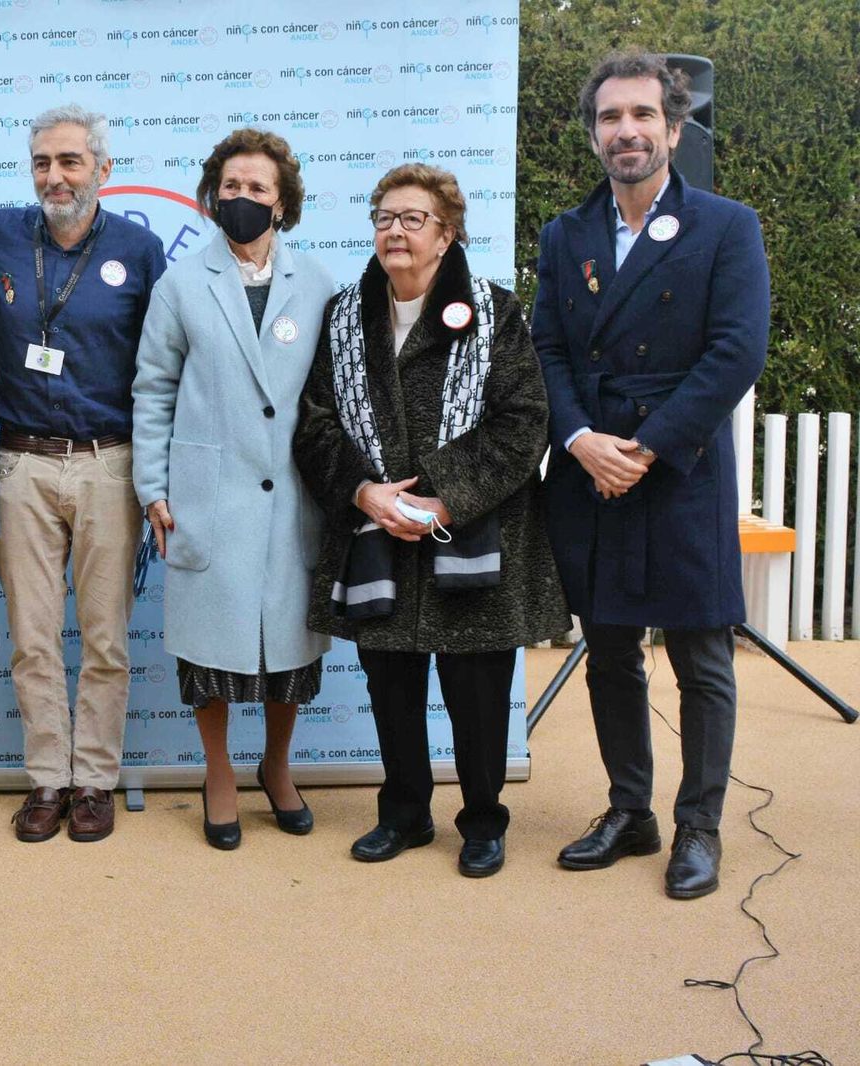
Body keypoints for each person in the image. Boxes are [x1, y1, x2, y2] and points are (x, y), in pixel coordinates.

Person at [534, 52, 769, 899]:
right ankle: (631, 812)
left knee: (702, 657)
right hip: (590, 467)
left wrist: (647, 447)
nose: (625, 131)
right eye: (609, 118)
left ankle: (699, 827)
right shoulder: (566, 234)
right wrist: (581, 439)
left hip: (679, 467)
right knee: (608, 653)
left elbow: (736, 351)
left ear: (674, 129)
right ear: (595, 133)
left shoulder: (726, 225)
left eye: (641, 116)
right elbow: (548, 350)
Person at [293, 164, 569, 876]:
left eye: (412, 218)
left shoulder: (496, 312)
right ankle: (405, 813)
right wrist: (366, 494)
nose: (394, 230)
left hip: (472, 533)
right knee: (390, 684)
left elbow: (523, 424)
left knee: (478, 690)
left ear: (447, 234)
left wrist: (441, 498)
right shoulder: (344, 315)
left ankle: (482, 821)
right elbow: (315, 425)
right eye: (384, 217)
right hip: (374, 531)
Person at [0, 105, 167, 843]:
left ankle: (96, 782)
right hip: (19, 463)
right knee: (33, 636)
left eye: (71, 162)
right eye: (43, 162)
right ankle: (48, 778)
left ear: (103, 171)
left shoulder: (140, 252)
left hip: (111, 464)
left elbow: (167, 366)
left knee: (106, 638)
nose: (55, 176)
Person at [133, 128, 333, 851]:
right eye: (231, 186)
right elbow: (153, 390)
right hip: (206, 492)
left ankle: (277, 767)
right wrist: (152, 488)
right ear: (212, 194)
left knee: (291, 649)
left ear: (284, 204)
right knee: (210, 649)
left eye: (258, 189)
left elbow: (330, 392)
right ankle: (217, 771)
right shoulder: (182, 283)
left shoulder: (316, 283)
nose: (242, 198)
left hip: (292, 494)